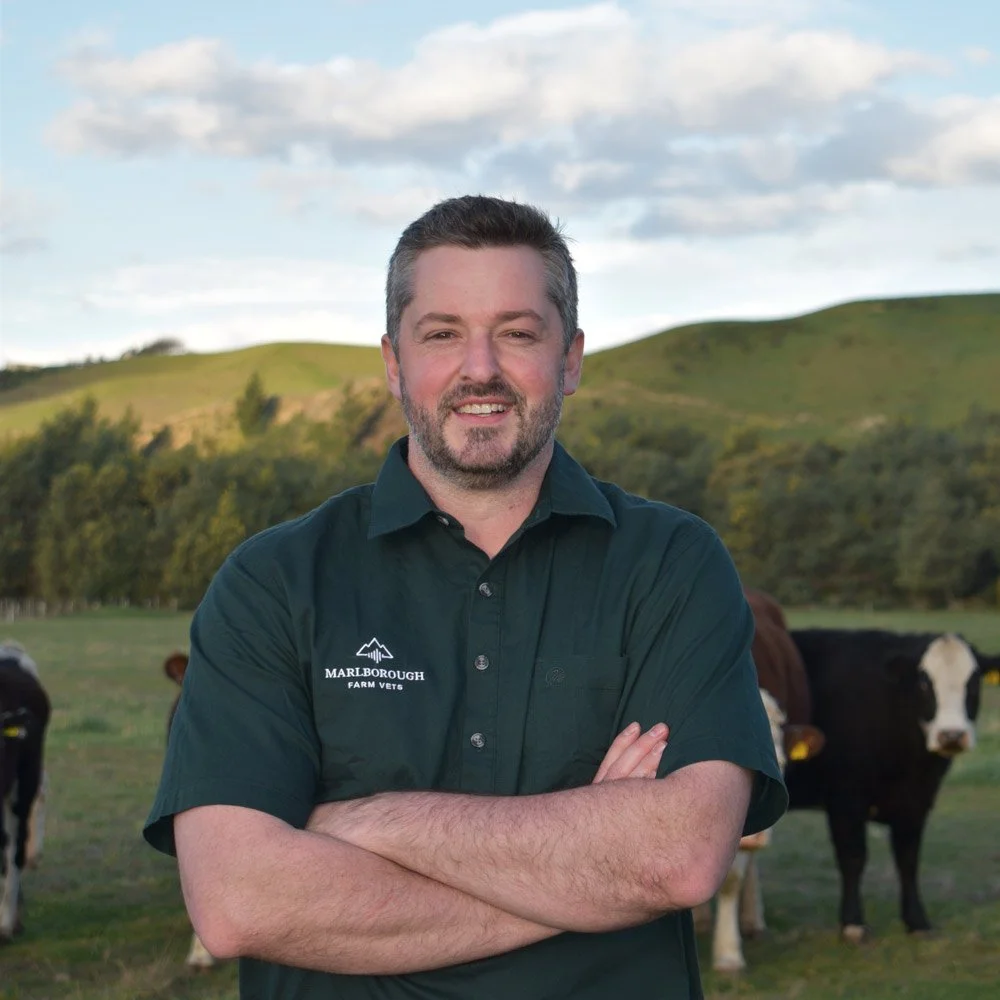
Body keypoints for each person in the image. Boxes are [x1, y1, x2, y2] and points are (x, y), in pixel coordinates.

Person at [144, 194, 787, 998]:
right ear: (392, 362)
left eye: (517, 333)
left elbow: (679, 859)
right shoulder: (274, 580)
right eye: (442, 334)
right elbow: (239, 904)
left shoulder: (672, 563)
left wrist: (363, 823)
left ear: (573, 358)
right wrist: (590, 868)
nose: (479, 368)